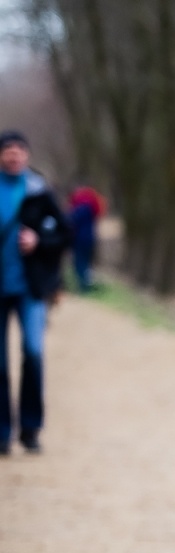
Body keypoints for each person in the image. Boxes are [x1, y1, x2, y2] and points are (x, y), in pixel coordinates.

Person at [0, 130, 69, 456]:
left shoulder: (40, 192)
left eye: (19, 150)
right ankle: (2, 433)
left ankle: (30, 429)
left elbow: (65, 236)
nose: (13, 155)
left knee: (33, 352)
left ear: (27, 155)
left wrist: (39, 241)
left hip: (31, 288)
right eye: (7, 150)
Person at [67, 182, 105, 292]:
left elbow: (72, 219)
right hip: (90, 238)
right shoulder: (91, 207)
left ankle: (83, 286)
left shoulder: (82, 207)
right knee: (85, 262)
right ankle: (86, 284)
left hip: (79, 239)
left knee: (79, 262)